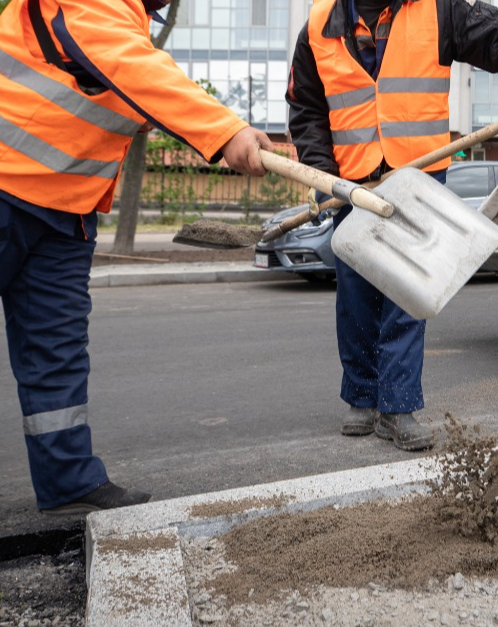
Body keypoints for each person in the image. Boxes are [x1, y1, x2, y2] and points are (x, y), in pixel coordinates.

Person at [0, 0, 274, 514]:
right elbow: (131, 66)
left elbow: (115, 79)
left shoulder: (128, 21)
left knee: (56, 354)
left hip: (64, 211)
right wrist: (224, 130)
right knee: (54, 353)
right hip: (7, 189)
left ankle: (68, 483)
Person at [287, 0, 498, 451]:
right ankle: (362, 397)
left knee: (406, 290)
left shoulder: (439, 11)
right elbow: (306, 110)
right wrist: (321, 174)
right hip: (352, 182)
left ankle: (397, 407)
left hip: (416, 177)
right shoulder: (319, 25)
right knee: (354, 294)